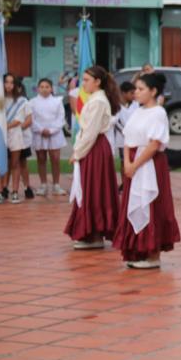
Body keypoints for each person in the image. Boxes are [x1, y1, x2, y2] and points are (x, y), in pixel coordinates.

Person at [113, 72, 180, 269]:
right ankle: (136, 250)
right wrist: (126, 163)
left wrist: (134, 165)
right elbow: (127, 139)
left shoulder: (158, 113)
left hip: (149, 163)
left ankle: (152, 254)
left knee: (151, 205)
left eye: (141, 89)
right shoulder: (137, 111)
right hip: (133, 163)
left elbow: (154, 144)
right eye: (136, 89)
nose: (136, 93)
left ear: (153, 91)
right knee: (134, 203)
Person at [64, 66, 120, 250]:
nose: (83, 83)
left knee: (93, 189)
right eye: (83, 79)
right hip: (94, 147)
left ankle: (93, 233)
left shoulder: (98, 101)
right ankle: (92, 232)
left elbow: (90, 132)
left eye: (87, 80)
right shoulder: (95, 99)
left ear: (98, 82)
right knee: (91, 188)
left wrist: (77, 153)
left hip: (94, 148)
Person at [0, 74, 28, 204]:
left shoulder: (21, 101)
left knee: (14, 163)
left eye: (11, 82)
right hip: (0, 135)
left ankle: (14, 192)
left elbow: (19, 120)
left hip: (15, 134)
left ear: (16, 85)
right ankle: (0, 191)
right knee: (0, 163)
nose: (8, 85)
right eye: (6, 82)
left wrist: (4, 125)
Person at [31, 78, 67, 196]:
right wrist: (41, 130)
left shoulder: (57, 101)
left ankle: (56, 185)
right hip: (39, 133)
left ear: (51, 88)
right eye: (42, 87)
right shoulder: (32, 102)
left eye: (47, 87)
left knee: (55, 159)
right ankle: (43, 184)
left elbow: (61, 118)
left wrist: (51, 130)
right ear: (38, 88)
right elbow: (32, 119)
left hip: (55, 134)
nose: (44, 89)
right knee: (41, 159)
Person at [114, 81, 139, 187]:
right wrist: (125, 132)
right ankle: (125, 183)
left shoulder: (136, 104)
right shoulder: (117, 106)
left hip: (135, 137)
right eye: (131, 93)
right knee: (124, 160)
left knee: (135, 159)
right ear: (123, 93)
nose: (134, 95)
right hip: (122, 138)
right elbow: (116, 122)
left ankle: (134, 182)